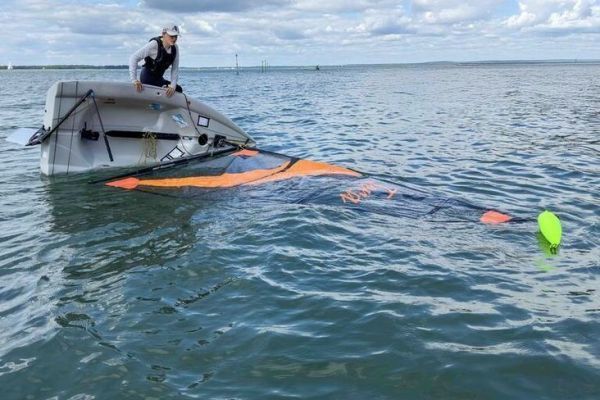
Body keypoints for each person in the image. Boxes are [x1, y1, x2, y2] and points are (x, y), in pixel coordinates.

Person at [129, 24, 182, 97]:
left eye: (176, 36)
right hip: (147, 78)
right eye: (171, 36)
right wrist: (134, 80)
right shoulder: (154, 44)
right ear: (163, 34)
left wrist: (173, 86)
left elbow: (175, 69)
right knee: (164, 91)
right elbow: (133, 58)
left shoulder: (175, 48)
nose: (174, 39)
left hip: (159, 79)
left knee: (178, 89)